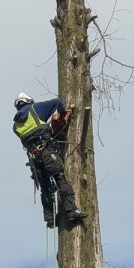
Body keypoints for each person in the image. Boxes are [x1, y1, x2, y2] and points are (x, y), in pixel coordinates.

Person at [13, 92, 87, 229]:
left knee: (46, 188)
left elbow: (32, 134)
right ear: (29, 102)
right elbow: (57, 102)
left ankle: (50, 219)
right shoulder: (35, 109)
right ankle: (71, 211)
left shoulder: (16, 126)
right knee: (60, 178)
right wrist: (63, 114)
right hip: (46, 152)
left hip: (34, 160)